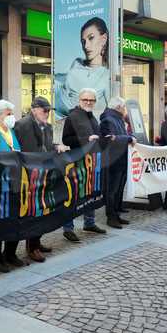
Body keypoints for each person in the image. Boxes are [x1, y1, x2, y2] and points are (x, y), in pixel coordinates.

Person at [14, 96, 63, 261]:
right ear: (34, 109)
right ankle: (31, 246)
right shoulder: (22, 124)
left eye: (49, 110)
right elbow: (22, 149)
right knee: (32, 212)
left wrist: (56, 147)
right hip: (30, 175)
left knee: (42, 211)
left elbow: (47, 146)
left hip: (45, 173)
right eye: (45, 110)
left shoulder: (47, 127)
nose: (47, 113)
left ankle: (37, 241)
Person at [61, 88, 107, 240]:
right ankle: (68, 228)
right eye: (85, 100)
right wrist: (86, 139)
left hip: (92, 161)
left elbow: (96, 136)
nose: (88, 102)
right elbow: (66, 140)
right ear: (79, 101)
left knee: (91, 192)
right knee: (74, 194)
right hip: (77, 162)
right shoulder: (72, 116)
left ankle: (89, 223)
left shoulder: (92, 116)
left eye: (91, 100)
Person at [0, 100, 23, 272]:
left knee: (15, 218)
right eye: (8, 114)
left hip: (15, 180)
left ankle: (10, 253)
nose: (12, 117)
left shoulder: (11, 130)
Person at [54, 17, 110, 118]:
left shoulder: (108, 76)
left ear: (103, 39)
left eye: (91, 38)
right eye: (83, 41)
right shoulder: (75, 68)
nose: (86, 46)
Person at [99, 97, 136, 229]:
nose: (125, 109)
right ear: (118, 107)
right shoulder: (108, 119)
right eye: (124, 107)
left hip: (120, 159)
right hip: (112, 160)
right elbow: (110, 139)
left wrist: (125, 138)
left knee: (118, 189)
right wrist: (129, 138)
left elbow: (117, 137)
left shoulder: (117, 118)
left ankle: (116, 214)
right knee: (111, 191)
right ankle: (111, 217)